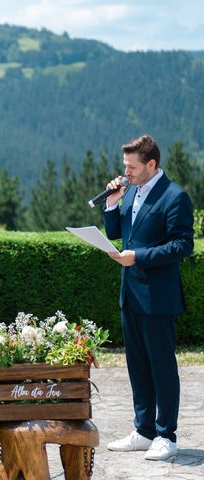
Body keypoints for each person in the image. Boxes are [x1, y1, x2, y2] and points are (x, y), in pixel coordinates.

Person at [103, 135, 194, 461]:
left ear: (151, 164)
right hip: (131, 294)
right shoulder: (130, 193)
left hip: (158, 298)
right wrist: (112, 203)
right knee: (137, 366)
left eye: (132, 166)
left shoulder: (174, 197)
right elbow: (116, 232)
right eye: (125, 165)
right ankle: (143, 431)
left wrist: (139, 256)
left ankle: (166, 435)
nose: (126, 172)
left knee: (162, 367)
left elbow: (183, 245)